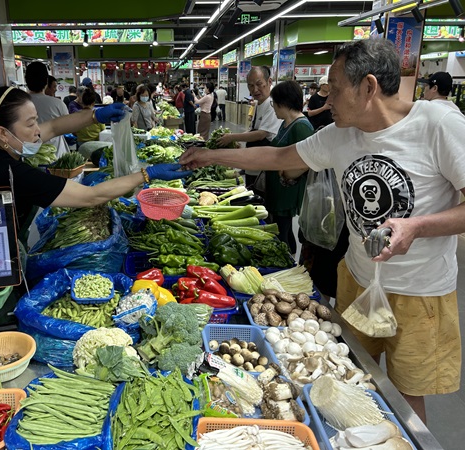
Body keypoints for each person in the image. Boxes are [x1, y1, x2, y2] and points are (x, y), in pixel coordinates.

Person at [181, 38, 465, 423]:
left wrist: (416, 226)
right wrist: (209, 155)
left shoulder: (438, 125)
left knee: (404, 395)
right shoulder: (340, 134)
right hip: (357, 280)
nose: (326, 98)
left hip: (420, 294)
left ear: (368, 87)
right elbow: (280, 157)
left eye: (334, 87)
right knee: (343, 376)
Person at [0, 86, 190, 238]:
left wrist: (95, 115)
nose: (38, 131)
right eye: (30, 124)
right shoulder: (7, 171)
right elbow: (90, 196)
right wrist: (147, 174)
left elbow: (54, 127)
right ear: (2, 132)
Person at [263, 81, 314, 254]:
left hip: (288, 190)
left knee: (281, 231)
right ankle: (290, 255)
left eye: (273, 102)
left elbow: (305, 162)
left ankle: (285, 264)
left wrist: (285, 176)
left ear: (283, 102)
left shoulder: (301, 126)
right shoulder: (286, 123)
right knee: (283, 228)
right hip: (278, 188)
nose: (273, 107)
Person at [216, 66, 282, 191]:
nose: (255, 90)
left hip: (264, 164)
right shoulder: (259, 103)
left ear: (269, 82)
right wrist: (239, 141)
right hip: (254, 161)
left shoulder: (272, 104)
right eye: (251, 86)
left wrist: (231, 137)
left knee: (261, 197)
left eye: (259, 84)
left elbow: (262, 133)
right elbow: (253, 129)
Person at [25, 61, 70, 156]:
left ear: (26, 80)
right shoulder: (57, 104)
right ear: (46, 81)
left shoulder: (19, 104)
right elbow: (68, 127)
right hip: (56, 156)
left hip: (28, 156)